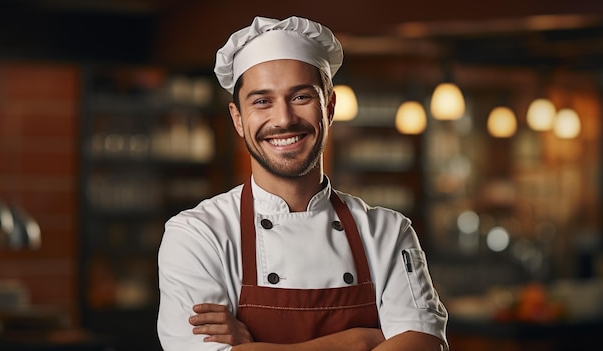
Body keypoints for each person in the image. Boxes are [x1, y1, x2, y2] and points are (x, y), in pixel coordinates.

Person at [157, 15, 448, 351]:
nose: (283, 119)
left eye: (300, 97)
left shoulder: (387, 231)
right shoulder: (197, 234)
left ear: (329, 106)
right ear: (237, 118)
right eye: (262, 101)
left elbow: (424, 345)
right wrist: (360, 339)